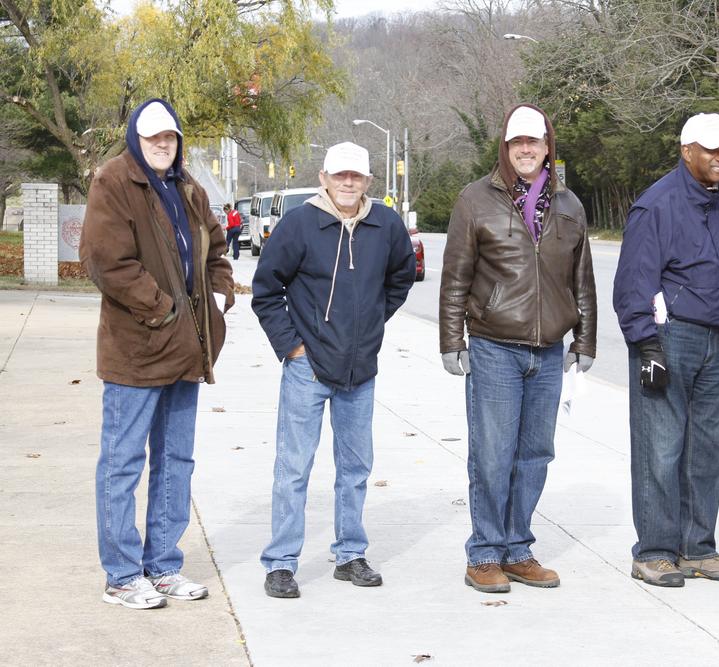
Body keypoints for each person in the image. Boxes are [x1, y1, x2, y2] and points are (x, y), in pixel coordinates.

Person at [79, 98, 234, 609]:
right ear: (135, 140)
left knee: (176, 461)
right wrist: (164, 309)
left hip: (187, 351)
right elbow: (107, 262)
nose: (162, 146)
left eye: (169, 138)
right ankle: (122, 575)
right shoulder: (114, 182)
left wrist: (217, 294)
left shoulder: (188, 187)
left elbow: (215, 246)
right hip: (137, 351)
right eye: (152, 139)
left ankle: (163, 565)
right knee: (122, 463)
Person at [439, 103, 597, 593]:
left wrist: (585, 338)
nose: (526, 149)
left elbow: (582, 278)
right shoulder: (475, 200)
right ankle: (483, 553)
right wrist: (451, 340)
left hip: (549, 351)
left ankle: (517, 548)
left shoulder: (569, 204)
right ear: (505, 149)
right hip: (493, 347)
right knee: (491, 453)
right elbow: (455, 277)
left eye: (534, 141)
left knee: (534, 454)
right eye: (517, 143)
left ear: (547, 146)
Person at [252, 141, 415, 598]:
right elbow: (266, 290)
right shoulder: (300, 224)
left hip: (360, 367)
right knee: (293, 468)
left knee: (356, 467)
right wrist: (292, 347)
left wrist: (370, 325)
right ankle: (281, 562)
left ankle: (350, 553)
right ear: (324, 177)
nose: (348, 182)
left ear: (367, 181)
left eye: (356, 176)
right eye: (339, 174)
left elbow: (401, 278)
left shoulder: (386, 225)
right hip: (309, 369)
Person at [612, 113, 719, 588]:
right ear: (687, 151)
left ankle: (698, 548)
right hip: (670, 337)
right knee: (661, 447)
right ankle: (654, 551)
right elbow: (634, 280)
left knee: (705, 451)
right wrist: (646, 343)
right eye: (712, 149)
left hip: (714, 343)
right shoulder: (657, 205)